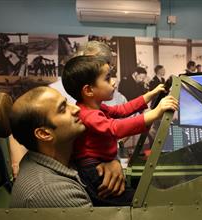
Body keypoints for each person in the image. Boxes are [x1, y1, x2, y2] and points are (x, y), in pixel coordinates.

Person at [61, 55, 178, 206]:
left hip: (102, 165)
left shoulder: (95, 106)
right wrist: (155, 114)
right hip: (94, 171)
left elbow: (122, 110)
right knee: (133, 201)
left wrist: (150, 94)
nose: (114, 82)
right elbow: (116, 128)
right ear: (89, 90)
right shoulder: (88, 115)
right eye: (107, 79)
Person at [9, 86, 92, 208]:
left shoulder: (59, 158)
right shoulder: (52, 191)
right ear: (44, 134)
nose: (76, 109)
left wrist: (111, 162)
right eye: (63, 109)